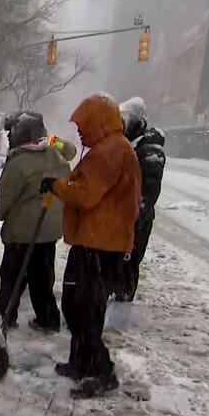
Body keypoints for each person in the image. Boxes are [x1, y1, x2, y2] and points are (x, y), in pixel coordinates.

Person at [39, 94, 141, 398]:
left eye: (84, 125)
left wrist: (56, 185)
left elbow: (85, 194)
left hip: (100, 244)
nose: (80, 132)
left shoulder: (110, 151)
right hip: (97, 240)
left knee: (82, 308)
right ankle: (80, 363)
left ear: (99, 122)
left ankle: (102, 372)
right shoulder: (111, 148)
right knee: (80, 305)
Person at [0, 111, 74, 334]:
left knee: (12, 278)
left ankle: (4, 316)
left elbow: (4, 198)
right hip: (49, 231)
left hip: (21, 232)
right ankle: (47, 319)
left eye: (11, 133)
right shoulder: (55, 154)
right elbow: (71, 151)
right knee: (42, 278)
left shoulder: (18, 163)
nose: (8, 138)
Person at [116, 97, 167, 301]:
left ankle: (121, 307)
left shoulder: (148, 151)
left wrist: (137, 214)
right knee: (120, 260)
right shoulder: (134, 144)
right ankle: (116, 298)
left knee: (128, 262)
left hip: (137, 217)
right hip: (126, 213)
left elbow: (149, 189)